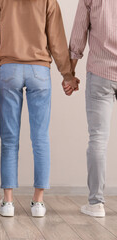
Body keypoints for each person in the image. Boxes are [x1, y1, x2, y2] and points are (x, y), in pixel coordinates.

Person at [0, 0, 80, 217]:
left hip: (9, 70)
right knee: (41, 138)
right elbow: (57, 40)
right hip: (40, 71)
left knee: (9, 139)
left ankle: (8, 202)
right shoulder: (48, 1)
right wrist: (67, 75)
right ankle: (38, 203)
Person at [68, 0, 117, 218]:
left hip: (100, 72)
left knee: (98, 138)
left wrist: (70, 74)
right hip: (101, 73)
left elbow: (79, 32)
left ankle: (96, 204)